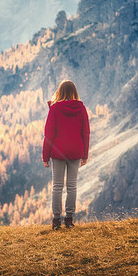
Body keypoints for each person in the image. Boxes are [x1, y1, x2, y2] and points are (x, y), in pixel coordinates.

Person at [42, 80, 90, 229]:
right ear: (74, 92)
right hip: (75, 152)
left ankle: (56, 220)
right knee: (72, 186)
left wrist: (45, 156)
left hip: (58, 153)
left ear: (60, 92)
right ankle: (69, 219)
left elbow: (48, 135)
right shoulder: (81, 108)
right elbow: (86, 133)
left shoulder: (55, 109)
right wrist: (85, 155)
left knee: (57, 186)